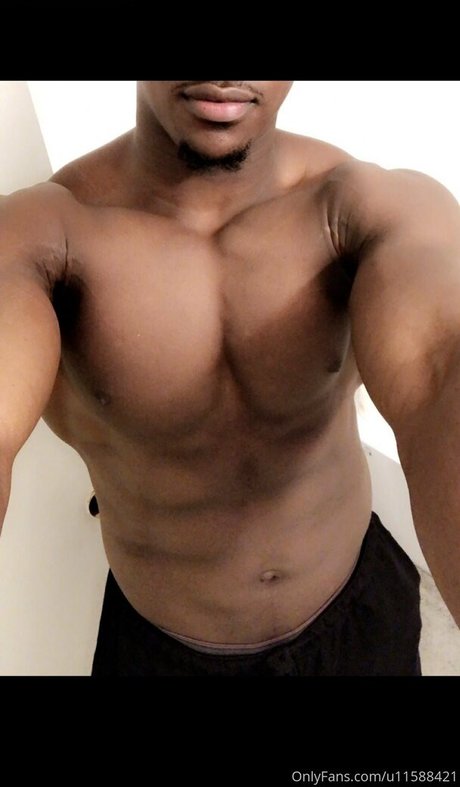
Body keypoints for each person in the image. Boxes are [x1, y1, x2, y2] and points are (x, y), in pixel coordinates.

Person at [0, 81, 459, 676]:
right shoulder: (46, 235)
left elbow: (441, 371)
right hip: (165, 652)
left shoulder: (364, 207)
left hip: (357, 615)